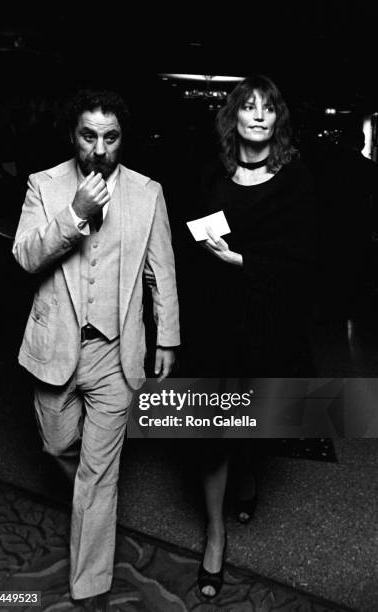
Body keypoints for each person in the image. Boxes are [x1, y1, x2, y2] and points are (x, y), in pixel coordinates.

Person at [13, 89, 180, 609]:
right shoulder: (44, 185)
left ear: (121, 139)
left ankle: (90, 589)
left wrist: (167, 336)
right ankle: (89, 507)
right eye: (89, 136)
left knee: (97, 477)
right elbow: (25, 256)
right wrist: (75, 213)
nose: (100, 148)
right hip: (56, 349)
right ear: (73, 136)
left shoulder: (148, 192)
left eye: (110, 137)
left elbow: (162, 271)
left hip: (116, 355)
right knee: (59, 447)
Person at [193, 75, 316, 598]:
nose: (259, 115)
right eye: (249, 106)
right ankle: (215, 536)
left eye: (268, 107)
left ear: (277, 119)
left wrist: (240, 260)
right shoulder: (212, 177)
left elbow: (305, 263)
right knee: (211, 428)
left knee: (256, 423)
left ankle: (249, 475)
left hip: (271, 322)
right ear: (234, 117)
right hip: (218, 319)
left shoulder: (296, 179)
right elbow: (194, 236)